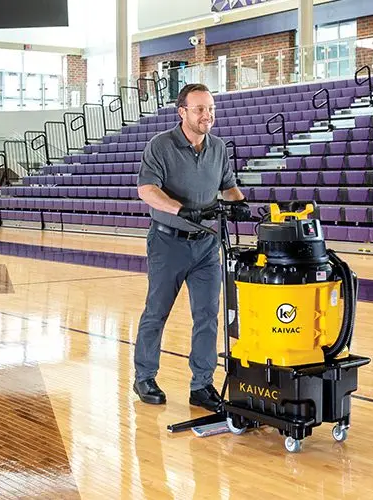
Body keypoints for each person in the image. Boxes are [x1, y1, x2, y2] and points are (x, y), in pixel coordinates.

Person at [133, 83, 247, 411]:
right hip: (169, 242)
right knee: (157, 311)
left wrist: (241, 203)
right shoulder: (161, 145)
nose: (206, 115)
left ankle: (202, 384)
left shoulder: (218, 148)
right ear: (182, 112)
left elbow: (228, 187)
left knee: (208, 316)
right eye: (199, 109)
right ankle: (145, 376)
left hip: (207, 245)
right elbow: (147, 189)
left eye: (210, 109)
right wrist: (182, 210)